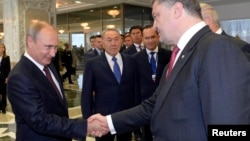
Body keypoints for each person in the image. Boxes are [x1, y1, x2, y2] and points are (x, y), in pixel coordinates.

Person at [88, 0, 250, 140]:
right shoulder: (181, 54)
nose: (155, 25)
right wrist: (108, 122)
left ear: (177, 10)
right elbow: (153, 105)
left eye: (156, 16)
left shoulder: (216, 47)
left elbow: (230, 128)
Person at [7, 20, 108, 141]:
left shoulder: (49, 65)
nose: (53, 53)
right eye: (48, 47)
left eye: (55, 47)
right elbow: (40, 120)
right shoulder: (20, 76)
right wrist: (85, 126)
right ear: (30, 41)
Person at [81, 28, 139, 141]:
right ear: (102, 43)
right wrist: (87, 120)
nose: (113, 43)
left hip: (126, 116)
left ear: (121, 41)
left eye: (116, 39)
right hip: (103, 118)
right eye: (109, 40)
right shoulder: (92, 64)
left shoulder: (131, 61)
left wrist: (136, 114)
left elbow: (135, 89)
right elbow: (86, 94)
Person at [133, 25, 171, 141]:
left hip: (165, 102)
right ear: (142, 39)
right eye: (147, 38)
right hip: (145, 104)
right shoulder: (134, 59)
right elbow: (134, 84)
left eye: (153, 37)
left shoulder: (169, 55)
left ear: (158, 37)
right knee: (147, 134)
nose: (150, 41)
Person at [0, 43, 10, 114]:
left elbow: (8, 69)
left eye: (2, 47)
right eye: (0, 47)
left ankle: (3, 107)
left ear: (4, 49)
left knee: (3, 93)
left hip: (3, 78)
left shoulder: (6, 57)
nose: (1, 49)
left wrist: (7, 77)